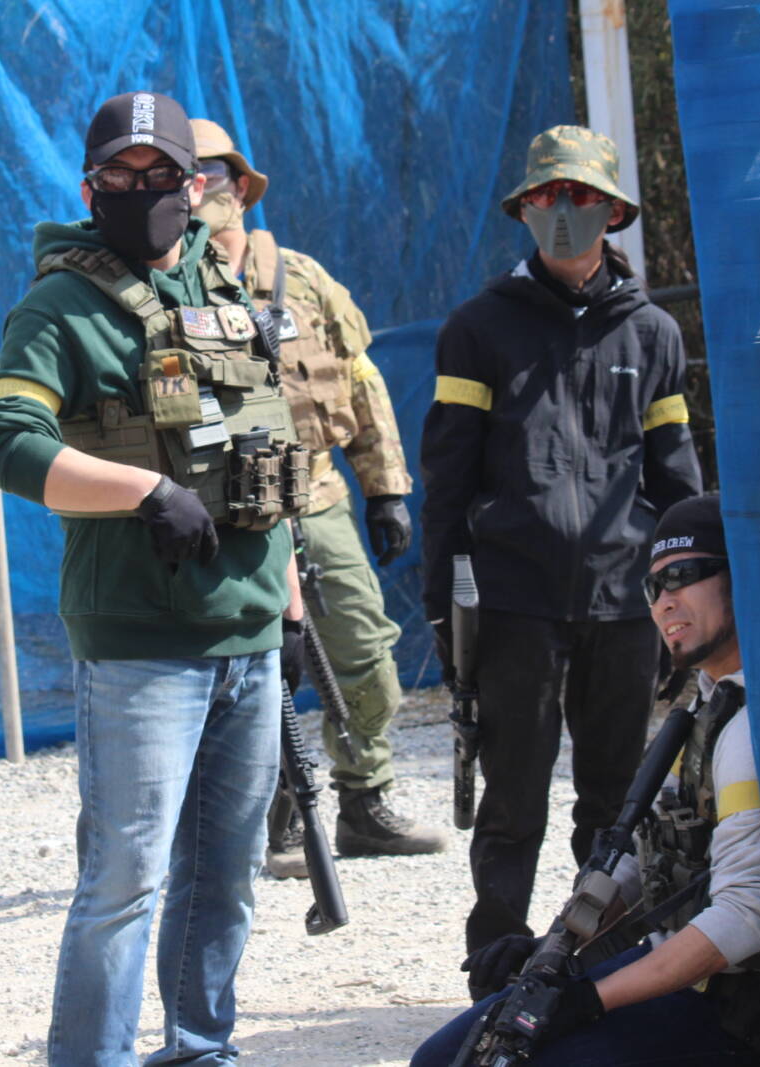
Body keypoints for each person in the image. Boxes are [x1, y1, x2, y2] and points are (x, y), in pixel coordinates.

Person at [0, 91, 306, 1066]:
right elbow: (1, 440)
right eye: (120, 174)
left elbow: (263, 452)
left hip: (250, 633)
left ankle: (200, 1048)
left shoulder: (225, 287)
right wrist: (143, 490)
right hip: (141, 643)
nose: (143, 189)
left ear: (195, 186)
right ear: (89, 189)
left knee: (227, 877)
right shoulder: (60, 306)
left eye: (162, 174)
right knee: (124, 882)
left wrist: (289, 604)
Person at [420, 124, 704, 995]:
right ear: (524, 211)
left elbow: (677, 479)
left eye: (581, 196)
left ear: (614, 211)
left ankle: (604, 965)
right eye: (547, 195)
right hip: (514, 601)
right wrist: (443, 606)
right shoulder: (479, 329)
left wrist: (692, 601)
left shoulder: (652, 334)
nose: (564, 211)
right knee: (512, 797)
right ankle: (498, 962)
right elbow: (448, 477)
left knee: (618, 799)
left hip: (624, 602)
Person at [413, 492, 760, 1066]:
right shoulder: (711, 707)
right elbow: (644, 857)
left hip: (740, 1008)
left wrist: (587, 1002)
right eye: (653, 587)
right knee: (448, 1056)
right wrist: (553, 949)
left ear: (745, 579)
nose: (665, 601)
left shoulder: (756, 723)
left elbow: (743, 917)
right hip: (688, 973)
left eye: (684, 576)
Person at [189, 118, 446, 869]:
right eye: (184, 178)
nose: (197, 191)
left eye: (210, 175)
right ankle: (279, 812)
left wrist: (386, 488)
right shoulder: (171, 286)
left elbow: (359, 378)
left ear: (241, 187)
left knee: (363, 648)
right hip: (228, 511)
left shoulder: (301, 278)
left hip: (319, 494)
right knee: (255, 665)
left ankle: (366, 799)